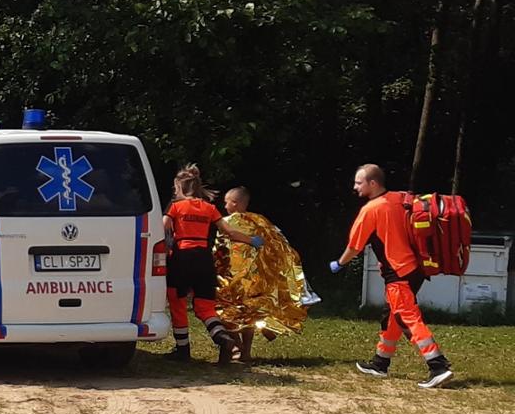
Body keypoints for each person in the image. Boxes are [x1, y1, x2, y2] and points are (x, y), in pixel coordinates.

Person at [332, 164, 454, 388]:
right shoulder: (400, 198)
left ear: (372, 183)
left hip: (398, 272)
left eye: (359, 183)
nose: (355, 187)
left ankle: (438, 366)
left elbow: (355, 246)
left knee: (407, 317)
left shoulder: (371, 209)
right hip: (415, 268)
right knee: (392, 316)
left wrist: (339, 263)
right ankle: (380, 363)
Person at [163, 165, 263, 362]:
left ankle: (182, 350)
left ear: (180, 188)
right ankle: (222, 337)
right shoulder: (210, 208)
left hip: (181, 257)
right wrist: (253, 241)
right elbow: (230, 232)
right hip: (203, 259)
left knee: (177, 302)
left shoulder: (175, 206)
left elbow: (162, 227)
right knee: (205, 306)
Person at [216, 186, 314, 363]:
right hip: (254, 280)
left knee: (226, 312)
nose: (224, 205)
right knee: (250, 315)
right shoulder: (259, 222)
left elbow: (219, 250)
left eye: (226, 202)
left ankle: (236, 346)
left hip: (231, 279)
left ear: (235, 203)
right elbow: (275, 244)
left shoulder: (226, 222)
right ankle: (246, 351)